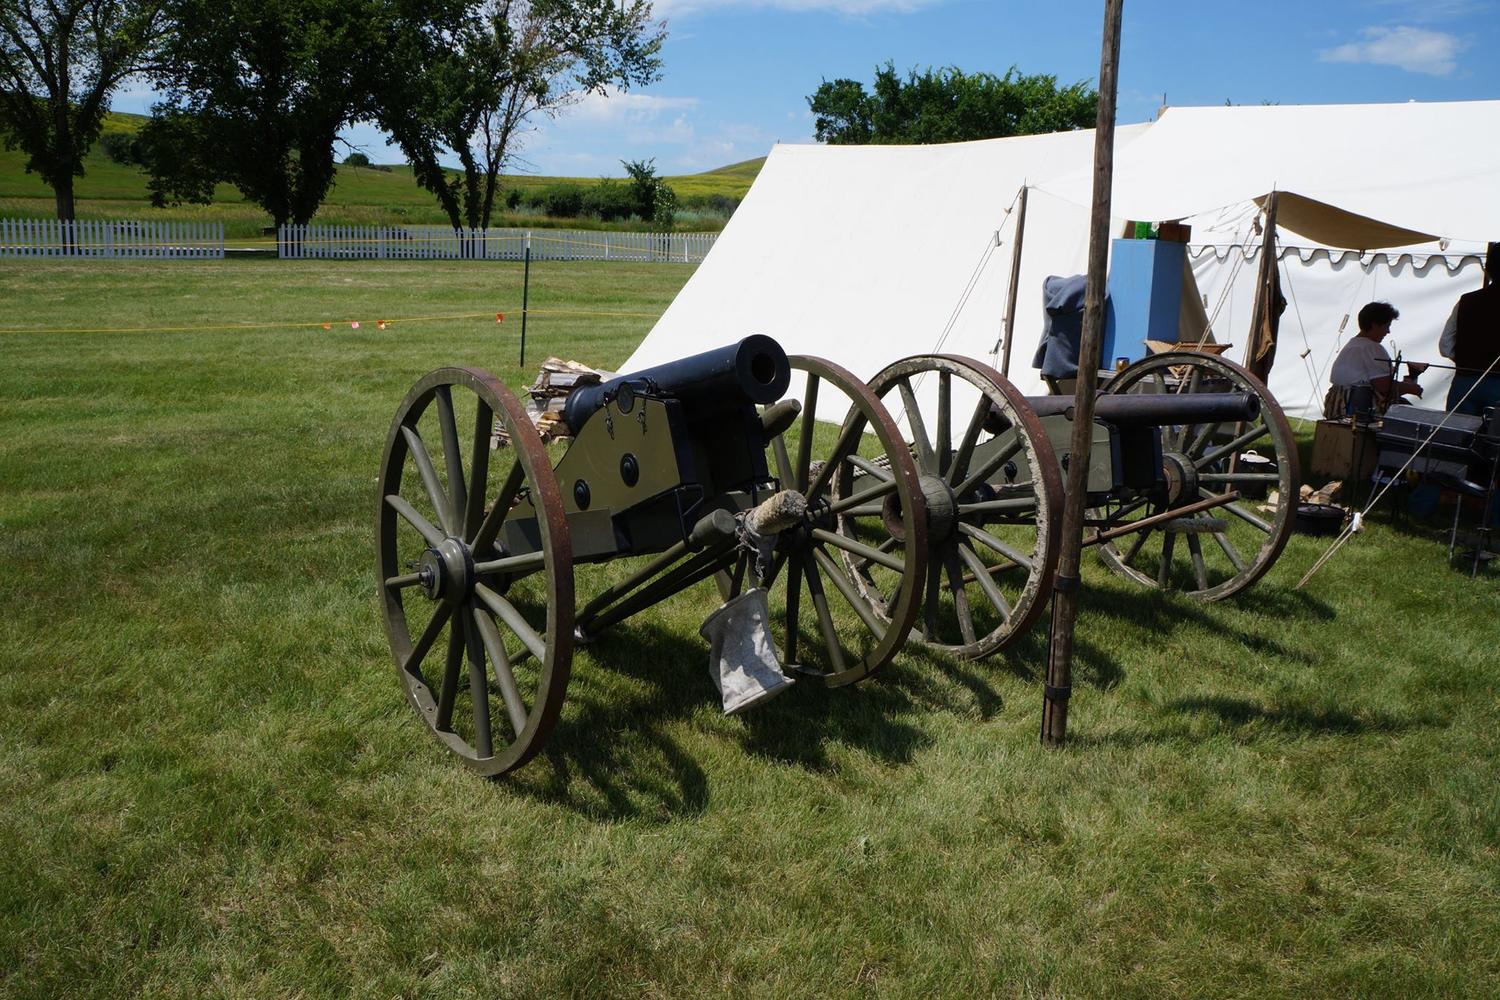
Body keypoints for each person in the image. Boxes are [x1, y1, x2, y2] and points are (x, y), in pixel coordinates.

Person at [1323, 301, 1423, 420]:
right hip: (1358, 408)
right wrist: (1411, 388)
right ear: (1375, 325)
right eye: (1387, 326)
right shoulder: (1372, 347)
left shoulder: (1352, 344)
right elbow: (1383, 387)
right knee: (1414, 418)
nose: (1388, 331)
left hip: (1337, 406)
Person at [1438, 242, 1500, 416]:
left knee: (1456, 439)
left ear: (1487, 269)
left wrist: (1468, 360)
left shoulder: (1466, 301)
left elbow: (1445, 345)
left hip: (1464, 384)